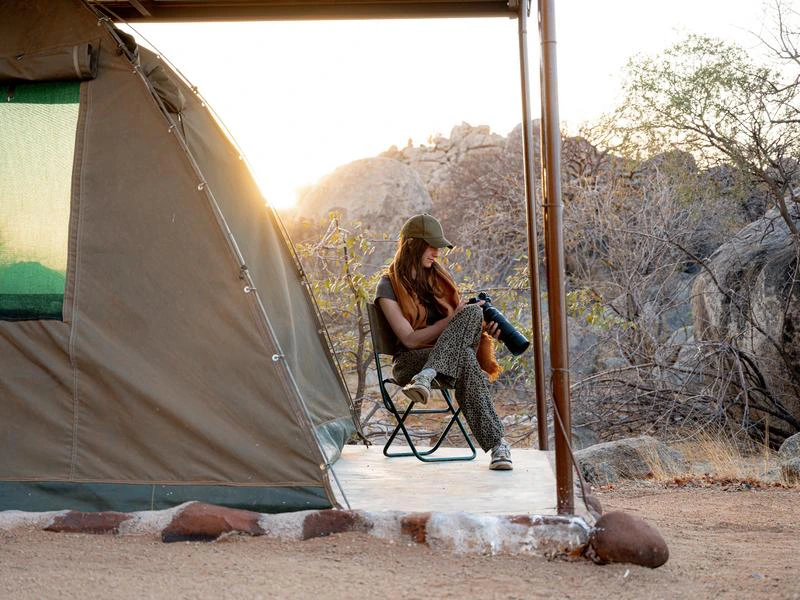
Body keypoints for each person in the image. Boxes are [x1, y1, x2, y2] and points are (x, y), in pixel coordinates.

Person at [374, 214, 513, 470]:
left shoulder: (438, 278)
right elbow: (409, 340)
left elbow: (461, 325)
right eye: (431, 246)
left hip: (433, 369)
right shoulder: (388, 286)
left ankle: (428, 376)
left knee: (473, 313)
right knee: (466, 358)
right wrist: (452, 320)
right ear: (412, 245)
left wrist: (487, 327)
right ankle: (498, 446)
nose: (437, 253)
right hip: (410, 363)